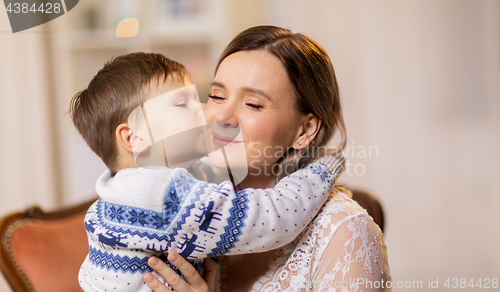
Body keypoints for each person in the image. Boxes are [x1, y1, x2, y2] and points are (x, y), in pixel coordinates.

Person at [69, 52, 346, 292]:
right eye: (182, 103)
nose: (206, 111)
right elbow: (278, 215)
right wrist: (322, 168)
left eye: (203, 97)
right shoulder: (167, 198)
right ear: (135, 138)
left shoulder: (111, 199)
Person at [144, 26, 391, 292]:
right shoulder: (181, 207)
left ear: (305, 130)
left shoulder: (345, 232)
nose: (221, 117)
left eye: (253, 104)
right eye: (217, 96)